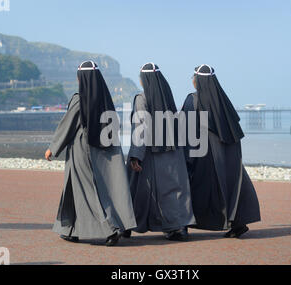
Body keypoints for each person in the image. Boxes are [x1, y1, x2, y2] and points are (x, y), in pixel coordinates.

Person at [45, 61, 136, 246]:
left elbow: (67, 125)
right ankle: (71, 230)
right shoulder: (105, 99)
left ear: (82, 78)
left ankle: (110, 228)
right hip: (104, 153)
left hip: (82, 152)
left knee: (85, 192)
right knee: (88, 191)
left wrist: (53, 148)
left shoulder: (80, 99)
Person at [182, 64, 261, 238]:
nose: (192, 81)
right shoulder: (223, 101)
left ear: (198, 81)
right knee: (231, 186)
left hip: (203, 155)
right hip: (228, 156)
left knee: (192, 186)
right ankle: (238, 222)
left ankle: (182, 224)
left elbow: (186, 130)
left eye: (193, 78)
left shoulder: (192, 100)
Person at [125, 63, 196, 241]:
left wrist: (136, 155)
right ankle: (179, 227)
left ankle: (126, 224)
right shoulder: (167, 95)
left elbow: (140, 127)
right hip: (174, 152)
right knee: (174, 191)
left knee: (136, 187)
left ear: (145, 80)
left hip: (151, 154)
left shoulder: (142, 98)